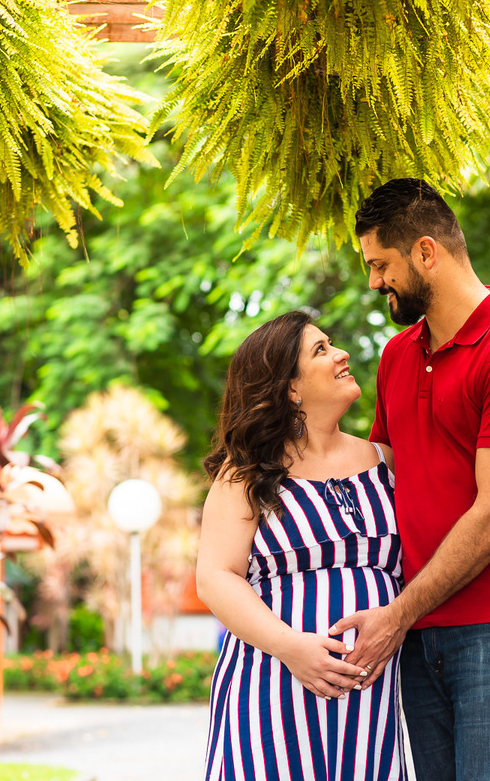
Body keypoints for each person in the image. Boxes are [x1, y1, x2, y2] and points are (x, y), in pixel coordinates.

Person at [329, 178, 490, 780]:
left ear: (425, 252)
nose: (373, 283)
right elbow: (376, 475)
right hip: (421, 626)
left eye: (380, 264)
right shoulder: (397, 356)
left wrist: (396, 614)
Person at [197, 311, 407, 781]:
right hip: (272, 686)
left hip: (370, 702)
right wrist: (292, 647)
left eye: (332, 344)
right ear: (290, 388)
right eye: (321, 350)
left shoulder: (385, 461)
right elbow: (215, 578)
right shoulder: (246, 473)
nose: (341, 354)